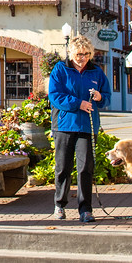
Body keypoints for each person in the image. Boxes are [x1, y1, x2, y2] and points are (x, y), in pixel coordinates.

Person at [49, 38, 109, 222]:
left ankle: (85, 209)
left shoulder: (96, 72)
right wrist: (78, 103)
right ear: (71, 54)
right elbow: (55, 95)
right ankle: (59, 205)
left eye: (86, 54)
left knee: (85, 168)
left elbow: (107, 97)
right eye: (78, 54)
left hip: (87, 126)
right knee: (63, 167)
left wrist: (99, 97)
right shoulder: (60, 69)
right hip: (65, 125)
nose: (82, 58)